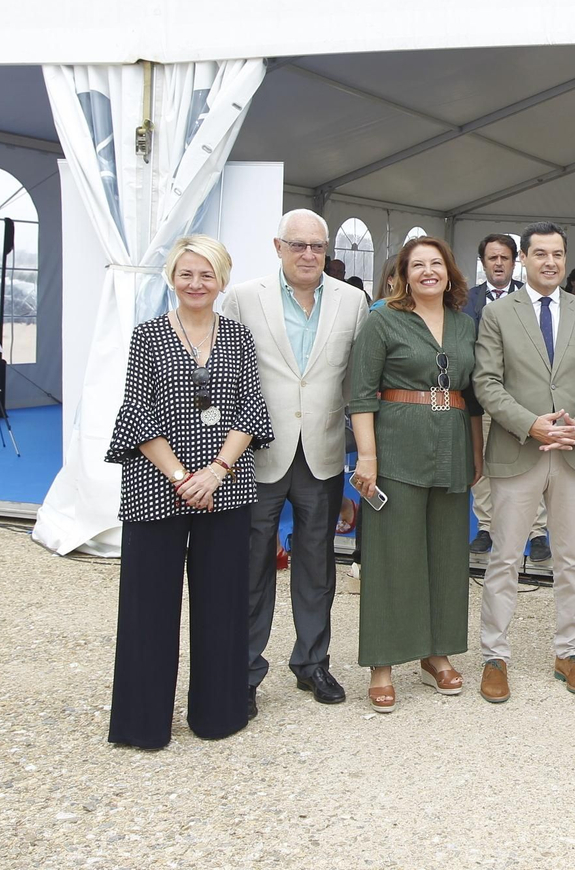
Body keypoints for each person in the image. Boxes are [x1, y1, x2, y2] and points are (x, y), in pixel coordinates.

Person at [105, 235, 274, 749]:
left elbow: (252, 409)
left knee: (222, 605)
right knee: (147, 607)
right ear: (171, 279)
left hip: (225, 486)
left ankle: (218, 715)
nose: (196, 284)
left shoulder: (240, 338)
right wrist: (183, 476)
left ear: (222, 280)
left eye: (207, 275)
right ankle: (142, 724)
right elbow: (137, 411)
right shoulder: (147, 336)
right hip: (155, 486)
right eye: (186, 274)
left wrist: (216, 471)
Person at [219, 209, 369, 714]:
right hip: (256, 454)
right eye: (299, 245)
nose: (309, 255)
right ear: (278, 246)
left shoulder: (352, 301)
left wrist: (359, 454)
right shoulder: (242, 298)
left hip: (324, 453)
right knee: (253, 564)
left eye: (318, 247)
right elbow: (226, 376)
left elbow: (355, 384)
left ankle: (312, 663)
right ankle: (244, 670)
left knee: (317, 564)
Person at [473, 222, 575, 702]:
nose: (550, 262)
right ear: (523, 259)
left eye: (557, 254)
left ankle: (568, 652)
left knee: (571, 559)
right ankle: (495, 656)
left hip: (574, 454)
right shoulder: (497, 313)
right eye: (540, 254)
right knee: (505, 557)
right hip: (518, 450)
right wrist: (530, 424)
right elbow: (487, 382)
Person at [348, 237, 483, 713]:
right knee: (391, 556)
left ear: (450, 272)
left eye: (437, 264)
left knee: (447, 555)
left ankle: (436, 654)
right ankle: (383, 665)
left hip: (452, 450)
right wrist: (367, 458)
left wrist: (477, 454)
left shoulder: (466, 325)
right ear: (402, 275)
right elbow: (361, 394)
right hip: (396, 450)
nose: (429, 272)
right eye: (417, 265)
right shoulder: (382, 319)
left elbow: (474, 397)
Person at [464, 234, 548, 562]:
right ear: (483, 263)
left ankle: (537, 532)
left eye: (504, 258)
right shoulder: (465, 300)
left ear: (517, 261)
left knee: (533, 463)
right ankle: (486, 527)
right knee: (481, 463)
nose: (498, 264)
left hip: (525, 400)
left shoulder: (534, 299)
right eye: (491, 258)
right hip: (480, 399)